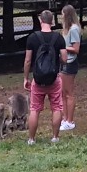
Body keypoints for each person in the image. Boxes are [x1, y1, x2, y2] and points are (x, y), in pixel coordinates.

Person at [22, 8, 66, 144]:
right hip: (54, 79)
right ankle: (55, 137)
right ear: (52, 21)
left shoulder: (32, 38)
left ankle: (31, 139)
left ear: (41, 20)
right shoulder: (58, 38)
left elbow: (28, 60)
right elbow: (64, 58)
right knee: (57, 107)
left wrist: (26, 78)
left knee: (34, 109)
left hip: (38, 80)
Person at [58, 3, 82, 132]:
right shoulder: (66, 29)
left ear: (67, 15)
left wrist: (62, 47)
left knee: (69, 93)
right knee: (62, 93)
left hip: (70, 63)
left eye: (62, 14)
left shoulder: (73, 29)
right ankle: (65, 119)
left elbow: (76, 49)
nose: (61, 16)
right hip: (63, 62)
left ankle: (70, 121)